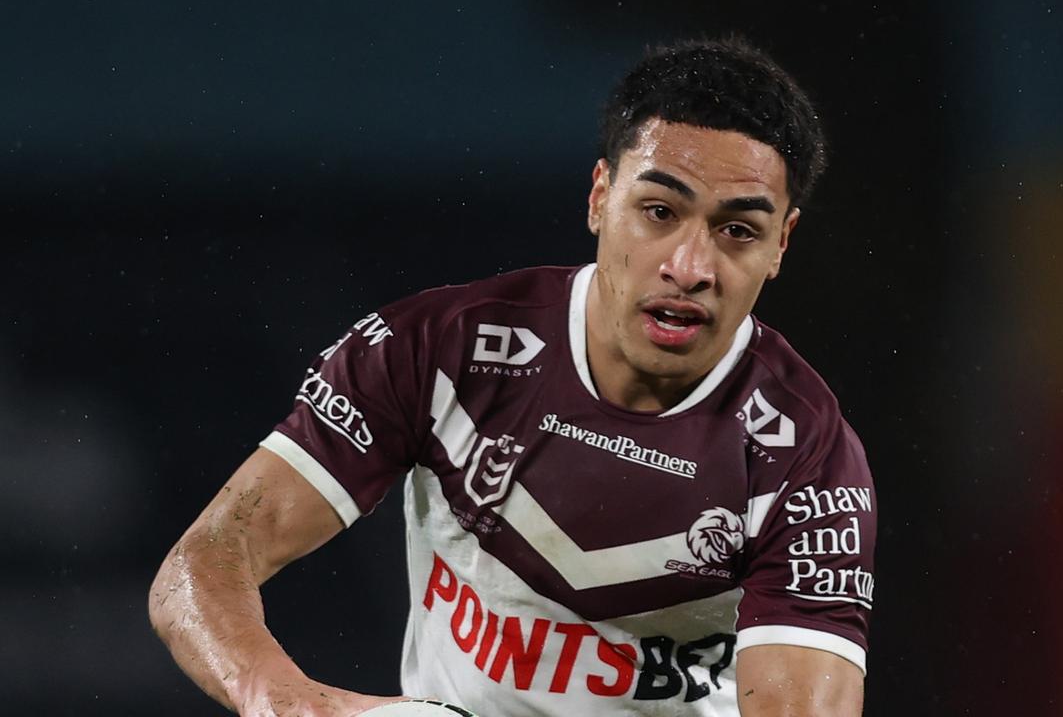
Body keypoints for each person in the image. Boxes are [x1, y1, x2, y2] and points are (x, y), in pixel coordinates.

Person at [150, 36, 878, 717]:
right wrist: (293, 704)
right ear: (600, 197)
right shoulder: (437, 349)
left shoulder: (806, 458)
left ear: (781, 244)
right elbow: (204, 563)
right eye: (658, 211)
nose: (689, 267)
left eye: (738, 231)